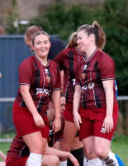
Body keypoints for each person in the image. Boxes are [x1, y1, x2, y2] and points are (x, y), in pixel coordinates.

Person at [11, 30, 62, 166]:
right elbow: (24, 91)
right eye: (38, 43)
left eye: (45, 42)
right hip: (24, 112)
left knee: (41, 150)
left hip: (42, 113)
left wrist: (57, 117)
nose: (43, 46)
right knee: (37, 149)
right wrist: (34, 114)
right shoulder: (27, 64)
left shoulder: (54, 66)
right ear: (32, 47)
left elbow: (56, 93)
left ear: (50, 44)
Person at [73, 21, 119, 166]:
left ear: (91, 38)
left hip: (102, 110)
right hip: (85, 112)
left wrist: (109, 115)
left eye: (80, 38)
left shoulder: (104, 60)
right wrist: (75, 111)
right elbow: (78, 90)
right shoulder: (79, 63)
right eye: (77, 39)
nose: (77, 41)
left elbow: (108, 90)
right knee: (89, 153)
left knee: (101, 151)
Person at [54, 32, 84, 166]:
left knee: (89, 146)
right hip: (72, 105)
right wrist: (59, 93)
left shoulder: (95, 56)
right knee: (65, 146)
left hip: (88, 106)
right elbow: (52, 69)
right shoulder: (67, 55)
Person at [6, 135, 79, 166]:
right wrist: (68, 154)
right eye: (62, 105)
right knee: (53, 160)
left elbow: (54, 148)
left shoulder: (58, 123)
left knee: (58, 156)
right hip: (18, 158)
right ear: (51, 105)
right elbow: (44, 150)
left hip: (31, 158)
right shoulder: (40, 121)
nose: (64, 108)